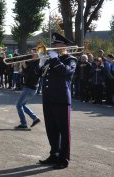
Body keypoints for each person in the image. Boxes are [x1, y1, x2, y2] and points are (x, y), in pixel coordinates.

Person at [39, 33, 77, 170]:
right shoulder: (51, 59)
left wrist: (54, 60)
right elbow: (40, 75)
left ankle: (64, 158)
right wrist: (41, 62)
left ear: (64, 46)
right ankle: (54, 154)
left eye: (57, 44)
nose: (54, 46)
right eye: (53, 44)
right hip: (48, 98)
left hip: (61, 99)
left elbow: (64, 72)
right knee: (51, 129)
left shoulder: (71, 59)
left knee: (63, 130)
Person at [14, 49, 41, 129]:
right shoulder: (32, 62)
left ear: (38, 54)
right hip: (29, 87)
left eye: (33, 53)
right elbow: (25, 72)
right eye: (31, 53)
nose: (31, 54)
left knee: (18, 105)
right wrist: (23, 64)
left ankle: (23, 124)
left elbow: (32, 74)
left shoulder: (38, 64)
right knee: (22, 105)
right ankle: (35, 119)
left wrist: (25, 66)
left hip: (30, 87)